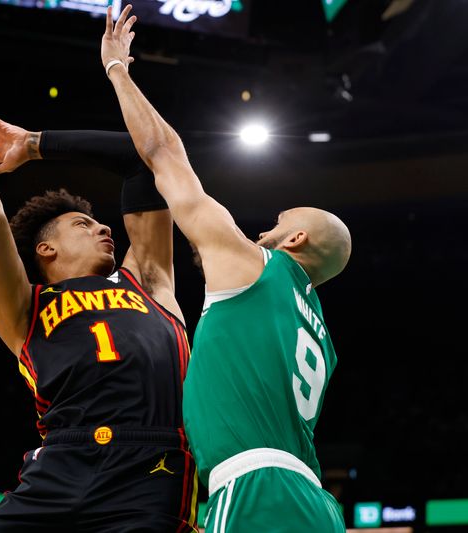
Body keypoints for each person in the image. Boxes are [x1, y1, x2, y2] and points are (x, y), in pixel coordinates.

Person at [101, 5, 350, 531]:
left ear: (296, 239)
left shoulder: (256, 267)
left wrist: (117, 69)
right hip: (313, 502)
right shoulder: (320, 336)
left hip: (256, 488)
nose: (263, 230)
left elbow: (166, 154)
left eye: (280, 220)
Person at [0, 108, 198, 532]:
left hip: (148, 466)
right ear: (46, 250)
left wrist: (36, 144)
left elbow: (141, 159)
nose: (104, 228)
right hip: (61, 464)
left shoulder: (147, 280)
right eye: (82, 224)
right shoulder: (23, 304)